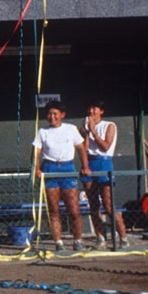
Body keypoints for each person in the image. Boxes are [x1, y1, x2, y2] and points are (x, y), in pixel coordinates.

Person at [33, 102, 89, 251]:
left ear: (62, 115)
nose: (52, 117)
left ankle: (78, 241)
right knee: (54, 210)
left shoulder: (71, 129)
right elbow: (36, 151)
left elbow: (81, 148)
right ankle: (58, 243)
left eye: (55, 114)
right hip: (50, 169)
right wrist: (36, 168)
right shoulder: (42, 132)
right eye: (49, 114)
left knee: (74, 210)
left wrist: (85, 166)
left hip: (68, 168)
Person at [81, 103, 129, 248]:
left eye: (95, 108)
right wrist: (87, 132)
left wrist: (94, 131)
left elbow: (105, 146)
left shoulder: (109, 125)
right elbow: (85, 148)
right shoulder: (85, 125)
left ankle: (123, 237)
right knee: (93, 205)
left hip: (104, 162)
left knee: (108, 205)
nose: (91, 111)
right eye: (89, 108)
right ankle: (100, 237)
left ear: (101, 111)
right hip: (89, 163)